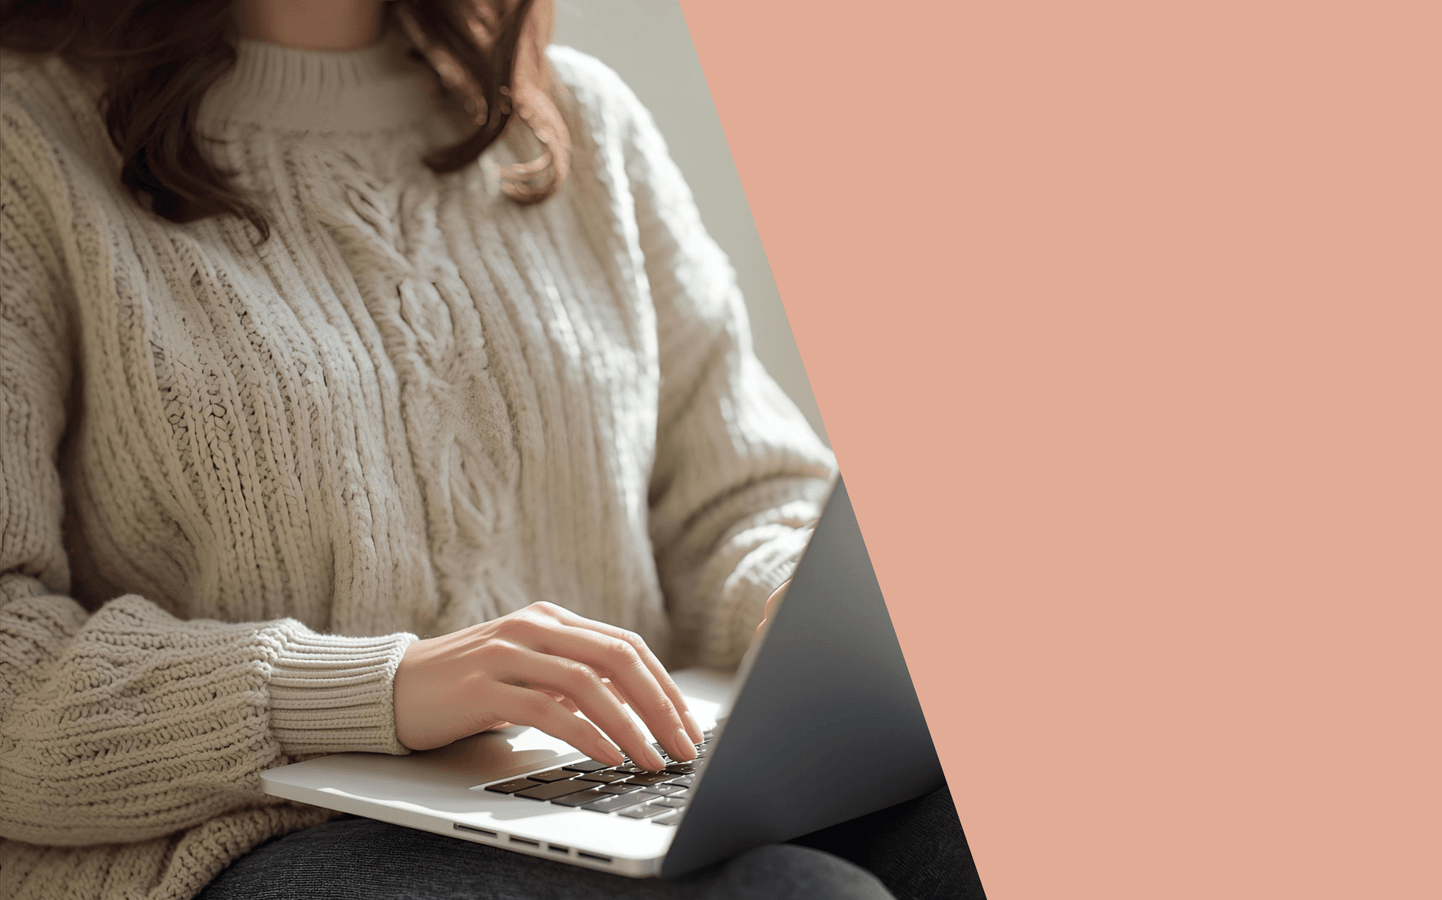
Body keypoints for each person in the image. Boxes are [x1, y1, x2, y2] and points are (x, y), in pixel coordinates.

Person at [0, 1, 985, 898]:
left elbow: (737, 496)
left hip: (611, 777)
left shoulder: (577, 121)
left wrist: (797, 620)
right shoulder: (25, 139)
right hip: (247, 828)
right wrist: (375, 690)